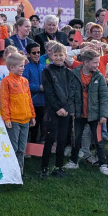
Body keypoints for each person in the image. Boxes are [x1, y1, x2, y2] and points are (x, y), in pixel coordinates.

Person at [64, 48, 108, 176]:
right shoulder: (74, 74)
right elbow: (71, 94)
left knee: (98, 141)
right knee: (76, 139)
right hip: (79, 114)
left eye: (97, 62)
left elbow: (103, 97)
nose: (97, 65)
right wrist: (72, 110)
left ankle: (103, 164)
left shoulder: (99, 76)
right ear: (85, 62)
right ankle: (74, 161)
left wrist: (103, 115)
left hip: (95, 115)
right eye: (95, 63)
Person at [40, 44, 74, 179]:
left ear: (65, 56)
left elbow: (71, 92)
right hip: (52, 110)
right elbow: (49, 92)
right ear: (50, 56)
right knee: (50, 138)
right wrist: (57, 108)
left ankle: (59, 167)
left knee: (62, 139)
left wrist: (66, 108)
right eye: (56, 55)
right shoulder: (47, 71)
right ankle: (44, 167)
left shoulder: (68, 72)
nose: (59, 58)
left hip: (65, 111)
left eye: (61, 55)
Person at [0, 52, 36, 175]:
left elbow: (29, 99)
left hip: (25, 120)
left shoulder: (25, 80)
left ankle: (19, 171)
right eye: (20, 66)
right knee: (13, 148)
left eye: (23, 66)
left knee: (22, 148)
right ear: (11, 67)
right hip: (14, 120)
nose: (23, 68)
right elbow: (4, 101)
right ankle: (10, 171)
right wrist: (7, 118)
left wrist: (32, 115)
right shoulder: (6, 81)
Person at [23, 42, 46, 143]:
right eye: (34, 53)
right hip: (32, 102)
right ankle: (30, 148)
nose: (37, 55)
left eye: (38, 52)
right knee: (33, 127)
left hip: (44, 102)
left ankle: (40, 149)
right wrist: (39, 87)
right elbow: (24, 84)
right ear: (28, 54)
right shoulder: (26, 68)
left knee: (44, 126)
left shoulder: (43, 67)